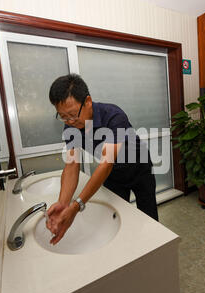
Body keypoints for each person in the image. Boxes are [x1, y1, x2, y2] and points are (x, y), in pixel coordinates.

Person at [46, 74, 158, 245]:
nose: (69, 121)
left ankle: (154, 247)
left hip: (139, 169)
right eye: (63, 116)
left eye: (72, 114)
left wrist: (76, 207)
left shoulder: (114, 116)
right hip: (114, 175)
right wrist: (63, 204)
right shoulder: (71, 126)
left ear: (88, 102)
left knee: (148, 216)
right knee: (115, 217)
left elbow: (106, 162)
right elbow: (72, 165)